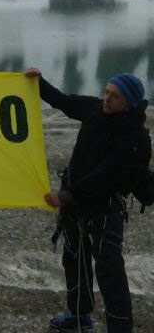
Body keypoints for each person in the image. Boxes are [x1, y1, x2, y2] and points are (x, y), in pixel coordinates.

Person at [24, 68, 148, 333]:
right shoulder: (95, 110)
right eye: (107, 92)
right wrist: (38, 82)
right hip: (74, 204)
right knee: (74, 259)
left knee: (109, 269)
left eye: (114, 96)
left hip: (105, 208)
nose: (107, 98)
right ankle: (79, 317)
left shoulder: (136, 138)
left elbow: (105, 174)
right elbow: (63, 101)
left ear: (129, 103)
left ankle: (120, 328)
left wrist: (66, 196)